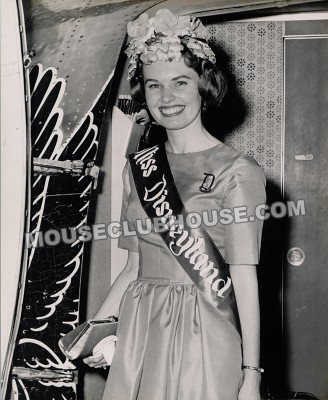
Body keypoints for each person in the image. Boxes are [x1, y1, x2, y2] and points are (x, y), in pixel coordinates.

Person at [84, 9, 266, 400]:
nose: (166, 98)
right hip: (140, 329)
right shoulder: (138, 169)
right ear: (143, 92)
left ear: (204, 85)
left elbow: (244, 279)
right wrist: (95, 330)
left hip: (206, 325)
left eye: (180, 82)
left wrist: (251, 374)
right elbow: (133, 267)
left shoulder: (237, 171)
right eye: (154, 86)